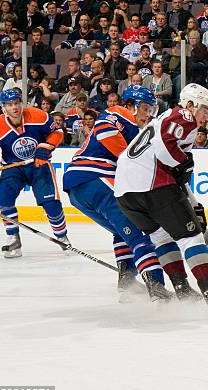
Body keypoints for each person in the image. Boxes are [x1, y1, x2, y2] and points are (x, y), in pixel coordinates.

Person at [63, 85, 186, 302]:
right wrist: (127, 157)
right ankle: (157, 290)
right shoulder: (120, 112)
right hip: (97, 177)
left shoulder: (134, 129)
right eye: (145, 109)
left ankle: (127, 281)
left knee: (123, 232)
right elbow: (105, 132)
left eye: (151, 110)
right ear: (131, 105)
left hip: (80, 188)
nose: (148, 115)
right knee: (143, 233)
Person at [113, 83, 208, 307]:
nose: (206, 117)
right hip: (152, 185)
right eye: (205, 110)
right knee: (190, 238)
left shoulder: (161, 119)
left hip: (125, 193)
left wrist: (192, 201)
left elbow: (175, 169)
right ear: (191, 104)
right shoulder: (184, 114)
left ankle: (182, 289)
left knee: (162, 238)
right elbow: (165, 148)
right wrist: (184, 162)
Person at [0, 89, 70, 258]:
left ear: (21, 103)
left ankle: (62, 237)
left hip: (38, 165)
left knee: (51, 204)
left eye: (16, 103)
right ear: (3, 107)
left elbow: (57, 133)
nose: (14, 108)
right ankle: (13, 238)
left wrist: (45, 148)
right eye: (9, 104)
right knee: (4, 197)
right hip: (12, 168)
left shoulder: (37, 115)